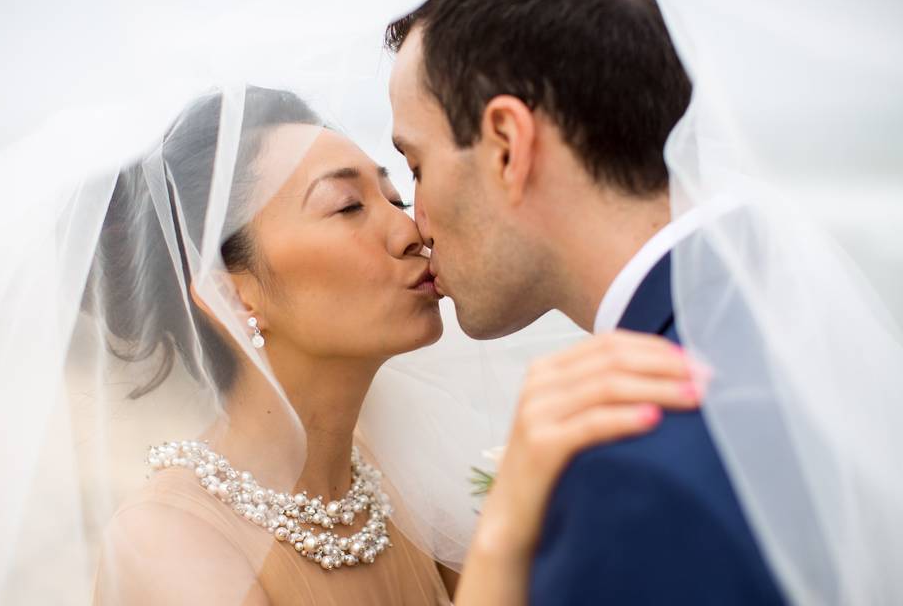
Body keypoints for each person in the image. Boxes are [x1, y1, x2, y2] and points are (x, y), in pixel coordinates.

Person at [90, 86, 703, 605]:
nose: (410, 231)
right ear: (234, 293)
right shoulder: (165, 543)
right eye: (349, 206)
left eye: (396, 195)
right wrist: (508, 522)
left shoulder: (399, 476)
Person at [385, 0, 786, 603]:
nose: (415, 223)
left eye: (416, 167)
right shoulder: (782, 318)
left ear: (508, 147)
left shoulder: (628, 470)